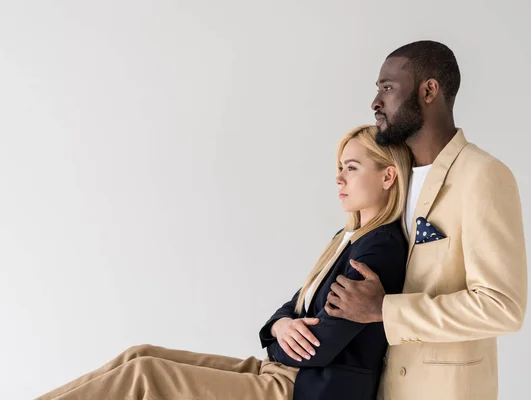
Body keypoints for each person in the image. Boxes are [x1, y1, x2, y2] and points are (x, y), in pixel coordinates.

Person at [35, 125, 412, 400]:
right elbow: (296, 304)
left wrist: (280, 343)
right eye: (340, 167)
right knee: (141, 354)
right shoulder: (346, 239)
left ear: (387, 176)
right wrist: (280, 325)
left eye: (351, 167)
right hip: (285, 371)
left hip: (304, 387)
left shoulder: (379, 248)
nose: (338, 177)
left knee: (144, 375)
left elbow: (321, 346)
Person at [324, 40, 528, 400]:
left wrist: (386, 310)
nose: (375, 102)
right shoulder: (392, 177)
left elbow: (502, 306)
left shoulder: (483, 175)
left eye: (387, 88)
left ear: (429, 90)